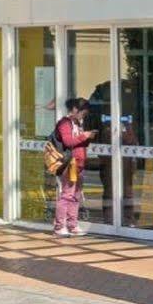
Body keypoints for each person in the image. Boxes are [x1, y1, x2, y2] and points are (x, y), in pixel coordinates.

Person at [52, 97, 97, 237]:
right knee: (67, 195)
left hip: (79, 163)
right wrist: (85, 136)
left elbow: (78, 143)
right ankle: (59, 226)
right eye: (83, 113)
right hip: (69, 164)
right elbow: (68, 141)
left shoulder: (77, 123)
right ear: (75, 110)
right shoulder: (64, 123)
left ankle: (72, 224)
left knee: (76, 195)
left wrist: (88, 138)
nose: (84, 116)